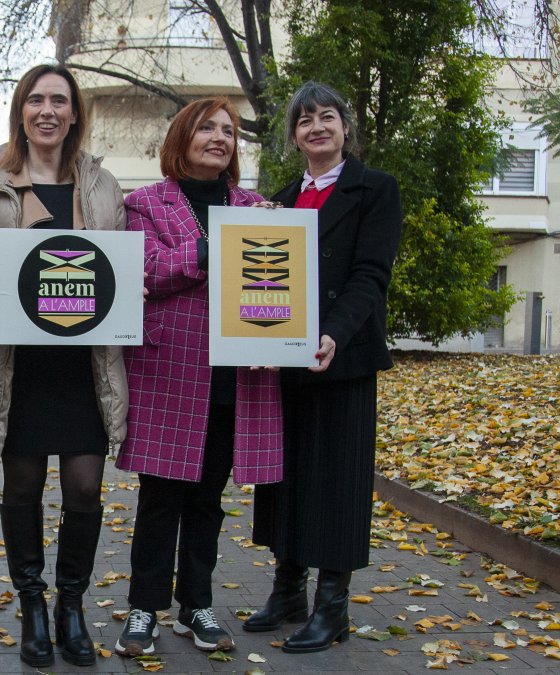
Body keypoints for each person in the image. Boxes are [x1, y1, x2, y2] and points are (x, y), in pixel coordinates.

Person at [0, 64, 128, 668]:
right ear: (20, 111)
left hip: (84, 368)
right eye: (36, 100)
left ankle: (71, 606)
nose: (47, 110)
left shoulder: (103, 185)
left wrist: (129, 290)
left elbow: (117, 264)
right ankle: (32, 605)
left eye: (59, 100)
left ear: (75, 113)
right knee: (23, 484)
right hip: (16, 368)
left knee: (84, 486)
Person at [110, 98, 284, 658]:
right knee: (160, 497)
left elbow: (275, 282)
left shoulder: (256, 206)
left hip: (236, 374)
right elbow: (146, 271)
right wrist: (214, 246)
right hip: (169, 371)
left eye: (228, 131)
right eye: (207, 128)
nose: (219, 138)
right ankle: (143, 608)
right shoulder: (145, 204)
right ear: (182, 137)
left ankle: (196, 605)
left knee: (209, 500)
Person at [248, 81, 404, 653]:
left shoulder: (375, 190)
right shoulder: (281, 200)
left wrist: (334, 332)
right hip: (283, 360)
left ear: (345, 127)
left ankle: (331, 607)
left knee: (338, 479)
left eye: (327, 117)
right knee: (285, 477)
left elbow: (370, 274)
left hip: (345, 357)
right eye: (305, 119)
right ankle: (287, 589)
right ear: (294, 136)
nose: (317, 126)